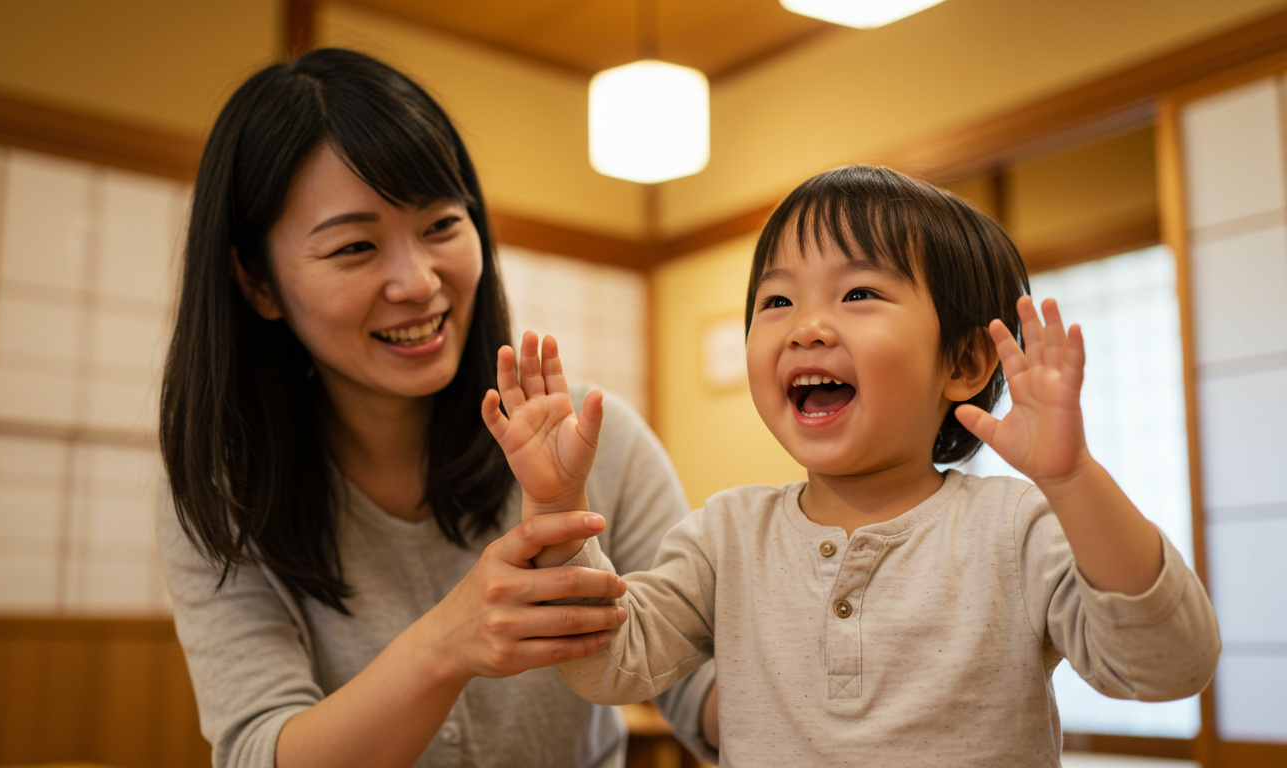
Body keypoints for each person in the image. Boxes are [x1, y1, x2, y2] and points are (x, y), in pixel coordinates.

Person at [483, 165, 1221, 766]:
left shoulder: (1014, 528)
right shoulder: (726, 536)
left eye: (859, 293)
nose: (806, 326)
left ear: (962, 361)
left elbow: (1169, 665)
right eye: (776, 299)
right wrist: (555, 504)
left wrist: (1071, 478)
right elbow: (609, 666)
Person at [157, 48, 716, 768]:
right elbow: (259, 751)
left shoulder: (591, 439)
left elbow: (696, 669)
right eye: (355, 247)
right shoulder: (222, 492)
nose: (418, 283)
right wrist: (445, 643)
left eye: (442, 226)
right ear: (258, 283)